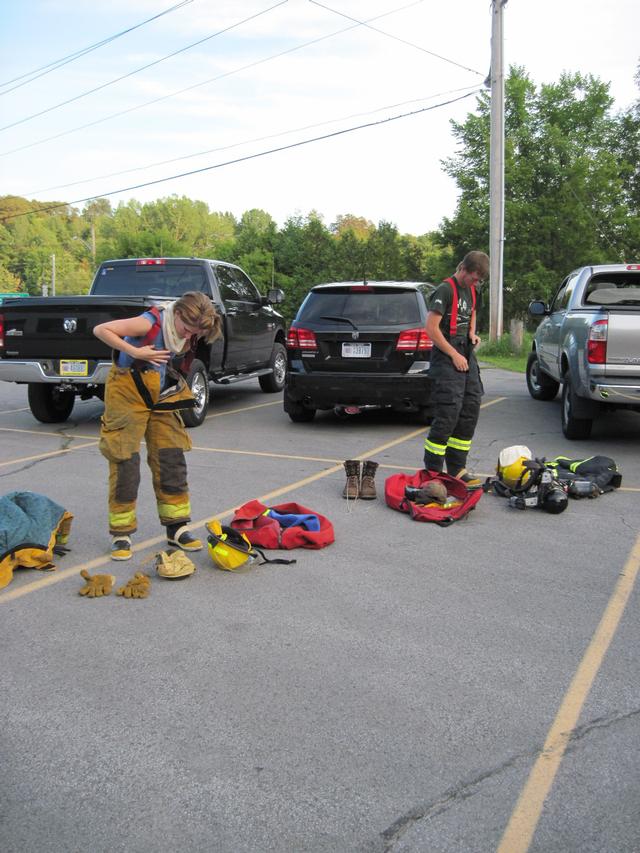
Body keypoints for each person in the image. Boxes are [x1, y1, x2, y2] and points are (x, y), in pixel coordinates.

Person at [94, 292, 221, 561]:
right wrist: (135, 351)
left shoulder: (187, 329)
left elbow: (182, 343)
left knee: (171, 457)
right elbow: (101, 329)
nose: (188, 336)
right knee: (124, 460)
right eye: (186, 330)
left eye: (193, 333)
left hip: (160, 391)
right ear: (177, 314)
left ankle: (176, 528)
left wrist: (189, 338)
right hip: (127, 391)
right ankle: (121, 534)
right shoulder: (147, 322)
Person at [422, 251, 489, 488]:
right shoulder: (445, 290)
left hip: (465, 352)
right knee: (448, 412)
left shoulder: (472, 289)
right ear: (463, 269)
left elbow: (472, 312)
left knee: (470, 407)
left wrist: (471, 333)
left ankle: (457, 469)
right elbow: (431, 328)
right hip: (446, 354)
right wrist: (453, 354)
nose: (476, 283)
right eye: (473, 278)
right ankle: (433, 475)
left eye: (479, 280)